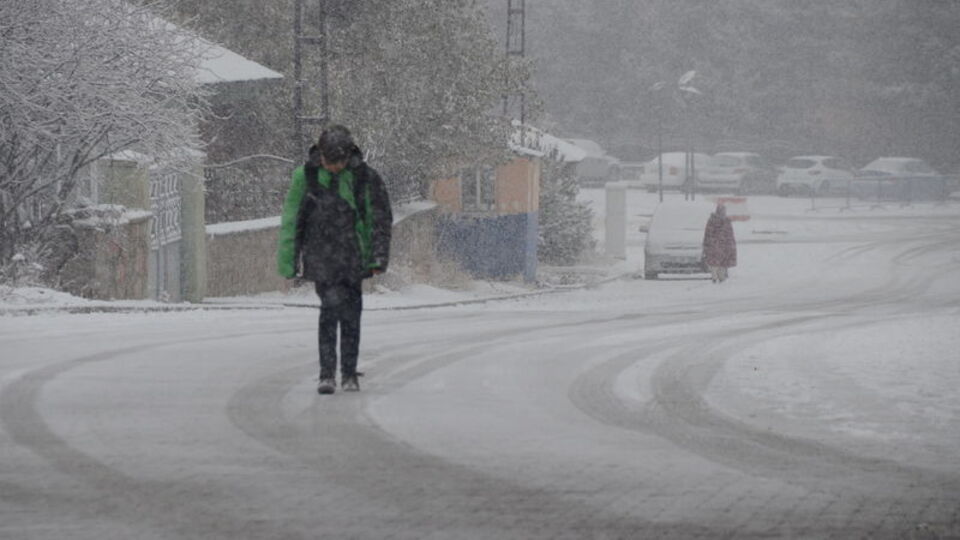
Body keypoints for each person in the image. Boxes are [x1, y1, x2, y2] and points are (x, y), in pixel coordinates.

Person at [277, 125, 392, 394]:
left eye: (338, 163)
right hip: (320, 255)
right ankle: (326, 374)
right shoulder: (305, 177)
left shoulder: (365, 178)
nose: (334, 168)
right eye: (330, 163)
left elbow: (380, 220)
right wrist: (288, 262)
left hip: (354, 256)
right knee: (329, 310)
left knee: (352, 315)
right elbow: (292, 221)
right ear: (321, 157)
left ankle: (349, 373)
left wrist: (378, 257)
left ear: (348, 156)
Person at [702, 203, 736, 283]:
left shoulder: (712, 220)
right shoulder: (726, 221)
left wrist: (708, 243)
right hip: (721, 246)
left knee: (716, 263)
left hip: (716, 245)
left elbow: (708, 233)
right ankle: (720, 278)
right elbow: (729, 235)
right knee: (721, 263)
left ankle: (716, 277)